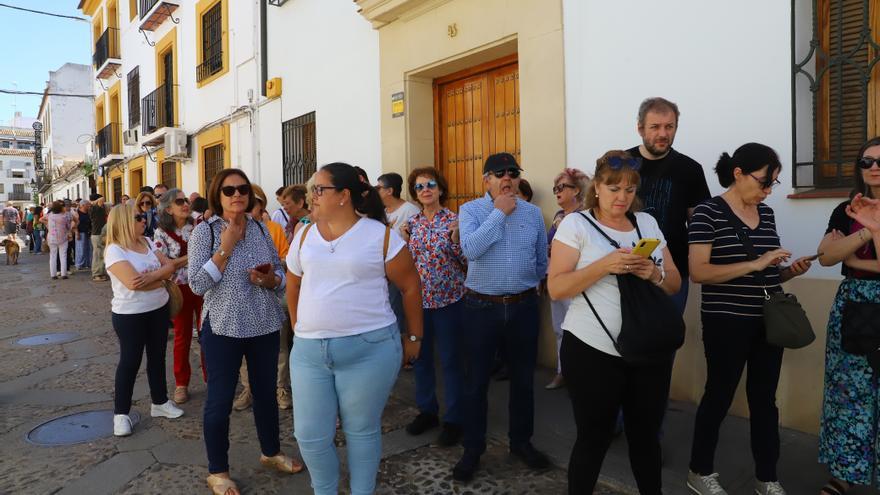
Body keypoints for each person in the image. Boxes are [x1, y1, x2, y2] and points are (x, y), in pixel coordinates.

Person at [548, 151, 681, 494]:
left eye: (629, 190)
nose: (622, 197)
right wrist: (603, 266)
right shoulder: (576, 224)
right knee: (594, 439)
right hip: (592, 350)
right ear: (596, 187)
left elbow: (674, 283)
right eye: (613, 188)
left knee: (645, 438)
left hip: (646, 350)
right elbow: (556, 287)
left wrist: (653, 272)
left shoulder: (646, 224)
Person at [286, 162, 423, 494]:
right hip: (309, 354)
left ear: (344, 196)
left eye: (320, 190)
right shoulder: (304, 234)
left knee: (361, 430)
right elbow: (293, 285)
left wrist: (415, 337)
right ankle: (325, 490)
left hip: (370, 349)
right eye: (311, 189)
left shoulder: (380, 235)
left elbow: (410, 287)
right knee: (309, 434)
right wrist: (299, 328)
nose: (311, 196)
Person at [686, 143, 813, 495]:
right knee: (719, 396)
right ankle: (700, 471)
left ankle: (767, 478)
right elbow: (698, 272)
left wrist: (788, 272)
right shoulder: (707, 213)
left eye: (773, 182)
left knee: (764, 400)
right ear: (738, 174)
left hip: (766, 321)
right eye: (764, 181)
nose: (768, 190)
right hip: (726, 322)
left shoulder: (767, 214)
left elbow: (766, 275)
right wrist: (756, 263)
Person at [188, 169, 303, 495]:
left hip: (264, 324)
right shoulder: (205, 233)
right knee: (220, 401)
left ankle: (271, 452)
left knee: (266, 394)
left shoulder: (261, 229)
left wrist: (270, 280)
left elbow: (280, 269)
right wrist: (225, 248)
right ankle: (218, 471)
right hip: (223, 327)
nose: (237, 194)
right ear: (218, 195)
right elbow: (197, 284)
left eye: (242, 189)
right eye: (229, 190)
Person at [454, 152, 550, 482]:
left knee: (523, 381)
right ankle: (473, 448)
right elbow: (470, 250)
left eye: (512, 172)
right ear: (487, 181)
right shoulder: (470, 210)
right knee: (476, 383)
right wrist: (498, 214)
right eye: (498, 173)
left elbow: (541, 260)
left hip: (523, 307)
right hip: (481, 308)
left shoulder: (534, 214)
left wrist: (532, 288)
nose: (506, 178)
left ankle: (521, 443)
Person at [816, 137, 880, 495]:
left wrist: (853, 254)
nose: (873, 167)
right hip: (853, 305)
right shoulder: (845, 209)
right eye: (866, 161)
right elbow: (826, 256)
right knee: (848, 393)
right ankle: (844, 474)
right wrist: (864, 232)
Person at [105, 203, 184, 436]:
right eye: (138, 217)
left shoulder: (148, 243)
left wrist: (153, 278)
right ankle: (121, 414)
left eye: (143, 216)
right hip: (129, 315)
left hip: (158, 308)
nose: (143, 220)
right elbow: (132, 284)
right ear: (123, 222)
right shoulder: (115, 250)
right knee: (130, 362)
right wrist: (161, 279)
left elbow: (169, 265)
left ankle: (160, 402)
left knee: (158, 357)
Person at [400, 167, 466, 446]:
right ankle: (427, 411)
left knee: (452, 362)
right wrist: (402, 243)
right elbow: (403, 265)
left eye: (430, 184)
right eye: (419, 186)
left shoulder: (456, 220)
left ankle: (454, 418)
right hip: (418, 304)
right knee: (421, 359)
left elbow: (467, 261)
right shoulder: (411, 225)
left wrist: (455, 240)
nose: (425, 189)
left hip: (450, 301)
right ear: (414, 193)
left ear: (440, 188)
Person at [627, 97, 711, 313]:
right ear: (640, 128)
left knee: (666, 339)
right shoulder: (621, 164)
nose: (663, 134)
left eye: (669, 127)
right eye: (655, 127)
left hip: (672, 272)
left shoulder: (690, 169)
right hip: (625, 269)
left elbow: (700, 225)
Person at [232, 184, 293, 412]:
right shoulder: (229, 231)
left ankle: (280, 387)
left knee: (279, 346)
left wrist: (271, 273)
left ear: (260, 208)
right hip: (242, 301)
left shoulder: (273, 229)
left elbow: (285, 257)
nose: (248, 211)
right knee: (244, 349)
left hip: (271, 296)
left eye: (252, 206)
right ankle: (249, 388)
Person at [154, 189, 204, 404]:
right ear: (168, 209)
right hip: (179, 290)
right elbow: (166, 265)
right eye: (180, 201)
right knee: (182, 337)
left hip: (203, 286)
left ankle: (212, 376)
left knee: (208, 334)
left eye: (186, 200)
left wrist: (178, 261)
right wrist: (193, 255)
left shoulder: (199, 226)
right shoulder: (161, 233)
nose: (186, 204)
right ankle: (181, 383)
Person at [545, 167, 590, 390]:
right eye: (555, 188)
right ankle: (563, 372)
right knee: (559, 328)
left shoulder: (585, 215)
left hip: (576, 279)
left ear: (577, 190)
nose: (557, 191)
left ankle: (578, 377)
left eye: (562, 187)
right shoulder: (558, 216)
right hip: (556, 278)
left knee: (577, 330)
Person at [42, 201, 72, 280]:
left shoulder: (49, 215)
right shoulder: (64, 216)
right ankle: (63, 274)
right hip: (63, 238)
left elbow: (41, 219)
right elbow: (68, 227)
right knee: (63, 256)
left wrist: (48, 225)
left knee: (52, 256)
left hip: (52, 237)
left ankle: (53, 274)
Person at [90, 194, 109, 281]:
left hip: (100, 233)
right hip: (97, 234)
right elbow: (101, 199)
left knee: (101, 254)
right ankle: (96, 274)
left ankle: (101, 272)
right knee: (97, 255)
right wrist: (96, 201)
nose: (103, 202)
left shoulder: (100, 208)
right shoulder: (94, 208)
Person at [75, 200, 92, 272]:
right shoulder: (77, 213)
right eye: (88, 205)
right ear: (83, 205)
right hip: (80, 232)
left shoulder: (88, 213)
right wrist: (77, 233)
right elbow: (75, 224)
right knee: (80, 249)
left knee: (89, 248)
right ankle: (79, 264)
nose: (89, 206)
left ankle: (87, 263)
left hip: (88, 232)